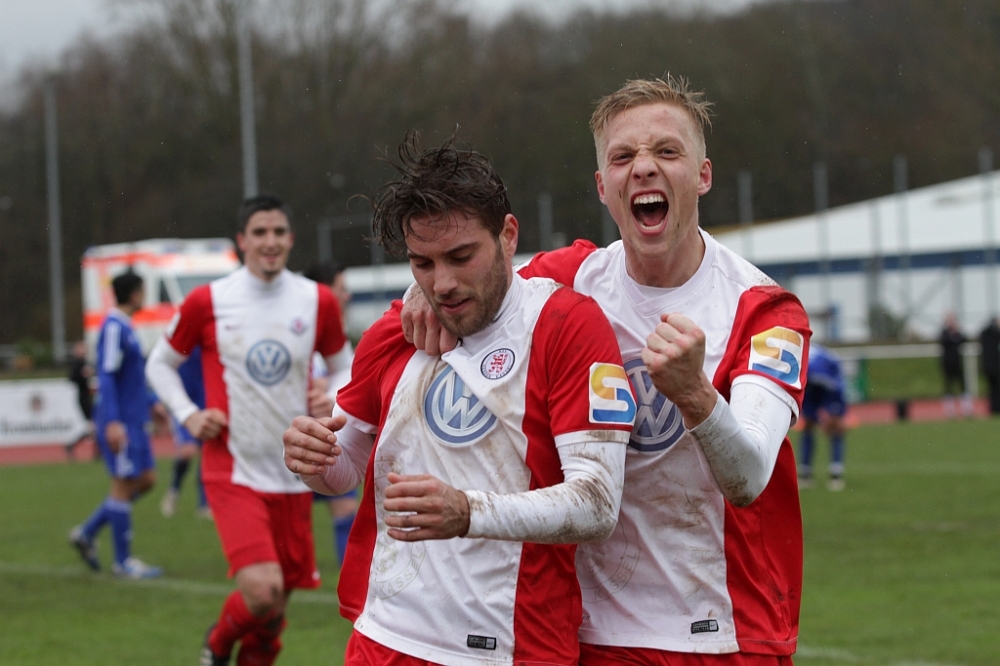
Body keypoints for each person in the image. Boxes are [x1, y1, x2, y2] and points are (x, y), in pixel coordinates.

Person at [403, 76, 811, 664]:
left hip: (722, 630)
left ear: (702, 175)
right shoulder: (569, 280)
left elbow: (749, 478)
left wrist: (695, 394)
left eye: (666, 151)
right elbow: (473, 276)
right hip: (592, 634)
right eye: (623, 157)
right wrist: (419, 293)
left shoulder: (763, 310)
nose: (643, 167)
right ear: (602, 186)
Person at [282, 135, 637, 665]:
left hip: (511, 646)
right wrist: (313, 459)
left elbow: (597, 505)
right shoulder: (394, 331)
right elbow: (345, 468)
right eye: (422, 264)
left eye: (461, 256)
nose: (442, 283)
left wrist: (468, 511)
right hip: (385, 638)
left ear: (508, 236)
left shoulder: (566, 325)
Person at [145, 194, 352, 666]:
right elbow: (160, 363)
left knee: (275, 611)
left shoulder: (316, 300)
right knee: (261, 591)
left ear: (291, 239)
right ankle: (216, 646)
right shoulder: (209, 301)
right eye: (259, 232)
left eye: (278, 232)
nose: (270, 241)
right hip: (233, 469)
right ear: (242, 240)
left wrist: (333, 395)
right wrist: (189, 415)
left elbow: (345, 365)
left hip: (295, 472)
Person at [68, 272, 164, 579]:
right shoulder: (113, 327)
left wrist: (152, 402)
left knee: (146, 479)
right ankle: (123, 562)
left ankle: (87, 532)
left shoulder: (126, 326)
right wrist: (111, 422)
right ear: (135, 294)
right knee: (123, 485)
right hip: (121, 421)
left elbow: (131, 378)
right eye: (143, 291)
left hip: (136, 419)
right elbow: (107, 375)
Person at [303, 262, 357, 565]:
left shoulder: (338, 334)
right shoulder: (298, 329)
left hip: (328, 437)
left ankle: (350, 577)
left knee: (346, 509)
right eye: (341, 289)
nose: (347, 296)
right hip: (291, 443)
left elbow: (344, 375)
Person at [159, 347, 212, 519]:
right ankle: (174, 490)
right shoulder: (179, 341)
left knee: (207, 454)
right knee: (187, 451)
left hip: (206, 403)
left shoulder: (209, 341)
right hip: (183, 405)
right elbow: (161, 365)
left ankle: (204, 504)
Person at [796, 343, 848, 491]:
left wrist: (832, 416)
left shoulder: (827, 367)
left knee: (835, 427)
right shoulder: (799, 364)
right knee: (808, 426)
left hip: (829, 386)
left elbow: (836, 388)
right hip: (806, 386)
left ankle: (835, 473)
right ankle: (806, 473)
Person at [66, 340, 96, 460]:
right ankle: (71, 445)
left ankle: (96, 451)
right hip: (83, 398)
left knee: (93, 426)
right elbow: (72, 378)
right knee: (93, 425)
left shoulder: (86, 363)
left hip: (89, 397)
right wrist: (83, 375)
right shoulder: (76, 364)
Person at [939, 313, 972, 418]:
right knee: (948, 385)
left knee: (962, 385)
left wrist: (957, 331)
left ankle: (967, 409)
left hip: (957, 363)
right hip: (947, 363)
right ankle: (950, 411)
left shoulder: (957, 333)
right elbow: (945, 342)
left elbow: (963, 340)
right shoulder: (944, 333)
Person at [979, 316, 1000, 415]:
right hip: (995, 366)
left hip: (987, 366)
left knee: (991, 388)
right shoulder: (996, 334)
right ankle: (996, 407)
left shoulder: (984, 334)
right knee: (996, 388)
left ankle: (993, 408)